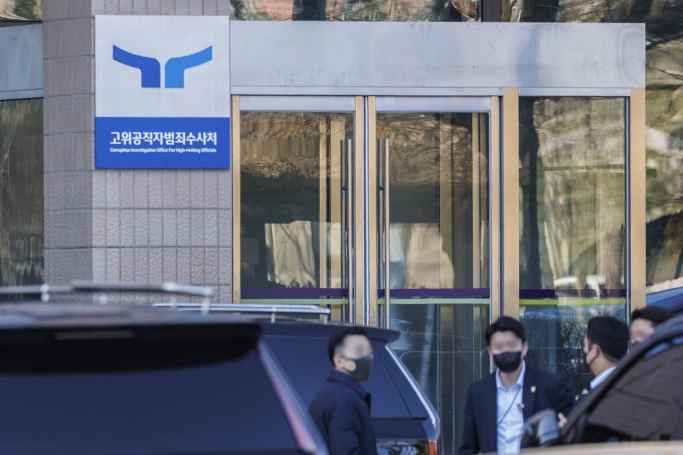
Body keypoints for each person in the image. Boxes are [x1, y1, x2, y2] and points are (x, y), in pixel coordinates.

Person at [459, 317, 574, 455]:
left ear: (524, 348)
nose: (506, 350)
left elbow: (573, 436)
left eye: (511, 345)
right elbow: (468, 448)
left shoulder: (552, 386)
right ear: (490, 351)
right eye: (499, 346)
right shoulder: (478, 392)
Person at [309, 327, 378, 455]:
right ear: (339, 361)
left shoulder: (332, 393)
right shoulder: (344, 400)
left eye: (370, 352)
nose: (368, 358)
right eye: (359, 351)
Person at [581, 315, 629, 392]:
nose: (584, 352)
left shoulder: (601, 393)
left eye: (585, 347)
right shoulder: (631, 382)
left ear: (594, 351)